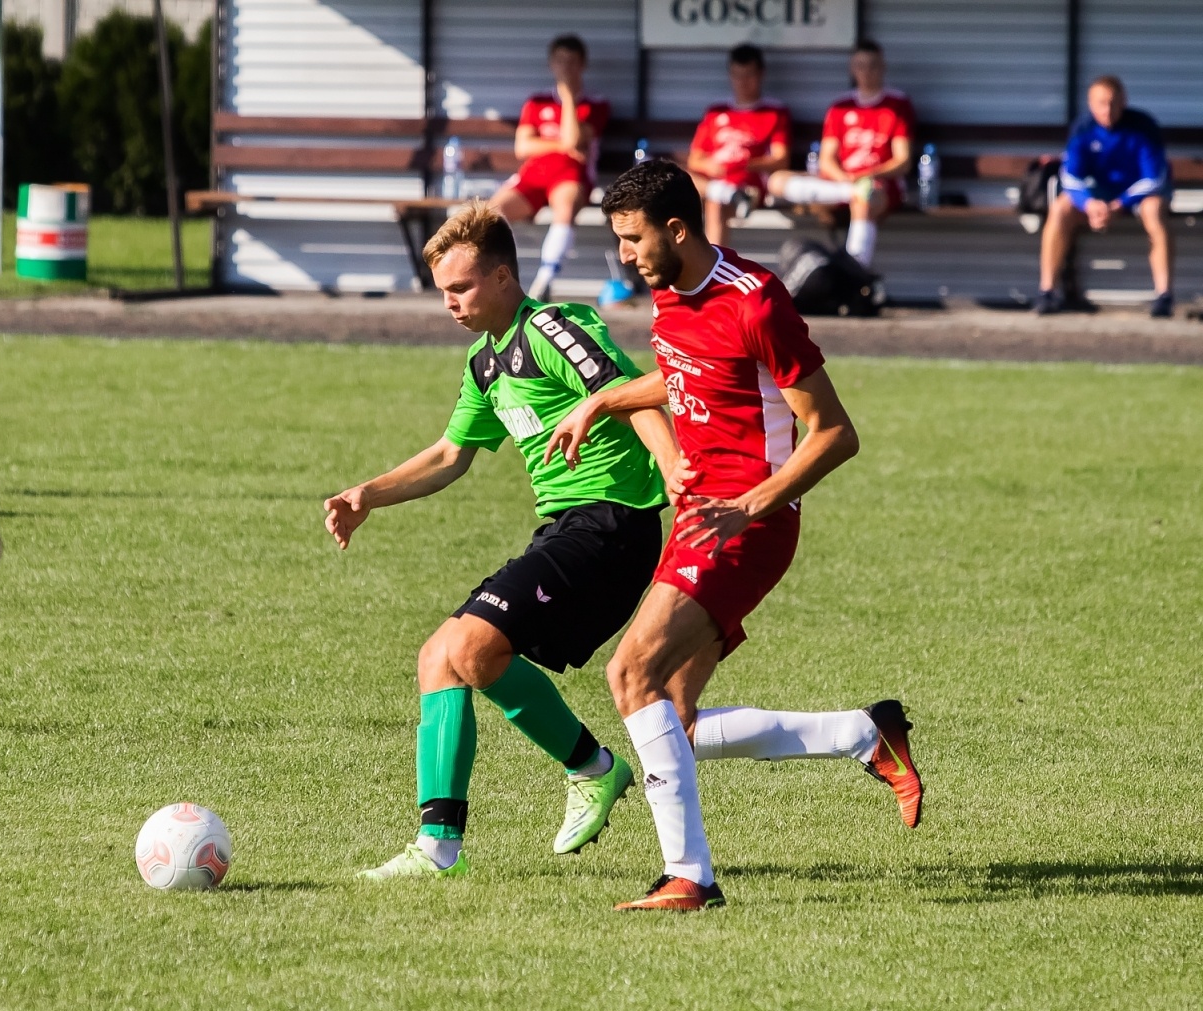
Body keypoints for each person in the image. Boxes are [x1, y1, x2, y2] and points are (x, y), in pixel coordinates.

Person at [545, 160, 923, 911]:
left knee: (630, 675)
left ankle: (689, 876)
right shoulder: (667, 292)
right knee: (671, 718)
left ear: (677, 230)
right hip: (704, 513)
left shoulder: (759, 302)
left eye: (632, 238)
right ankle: (863, 734)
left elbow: (835, 434)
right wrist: (608, 401)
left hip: (749, 520)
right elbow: (689, 371)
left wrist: (751, 505)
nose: (623, 253)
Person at [326, 201, 673, 879]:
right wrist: (368, 493)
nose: (450, 304)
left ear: (506, 276)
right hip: (568, 527)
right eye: (443, 292)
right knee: (443, 656)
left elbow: (633, 392)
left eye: (461, 287)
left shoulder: (551, 326)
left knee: (470, 645)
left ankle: (590, 767)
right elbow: (451, 454)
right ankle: (438, 845)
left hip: (614, 521)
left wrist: (680, 480)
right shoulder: (485, 361)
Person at [766, 39, 913, 268]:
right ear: (852, 69)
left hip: (880, 184)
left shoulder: (897, 104)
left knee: (864, 199)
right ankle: (851, 192)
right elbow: (826, 159)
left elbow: (903, 161)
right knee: (777, 181)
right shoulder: (840, 106)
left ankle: (855, 273)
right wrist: (847, 179)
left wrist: (870, 174)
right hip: (842, 182)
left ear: (883, 67)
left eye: (873, 65)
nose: (867, 72)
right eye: (860, 66)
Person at [1037, 76, 1173, 318]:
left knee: (1153, 211)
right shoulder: (1083, 129)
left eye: (1113, 103)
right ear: (1090, 104)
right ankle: (1047, 291)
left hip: (1138, 194)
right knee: (1060, 208)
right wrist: (1089, 204)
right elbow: (1070, 178)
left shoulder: (1143, 127)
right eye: (1101, 103)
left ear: (1124, 102)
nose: (1107, 110)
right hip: (1099, 195)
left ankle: (1164, 296)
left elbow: (1154, 179)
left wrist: (1119, 205)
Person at [490, 34, 610, 302]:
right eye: (560, 61)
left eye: (572, 62)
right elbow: (523, 147)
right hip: (534, 174)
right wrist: (562, 145)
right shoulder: (537, 102)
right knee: (490, 215)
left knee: (565, 208)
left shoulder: (596, 104)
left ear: (582, 66)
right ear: (551, 64)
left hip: (571, 175)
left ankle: (545, 279)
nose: (566, 68)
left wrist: (568, 99)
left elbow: (574, 140)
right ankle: (500, 283)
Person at [687, 44, 791, 247]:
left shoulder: (774, 112)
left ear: (761, 74)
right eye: (737, 75)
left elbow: (781, 159)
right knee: (677, 175)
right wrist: (710, 166)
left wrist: (744, 163)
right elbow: (695, 159)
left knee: (715, 203)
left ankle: (714, 273)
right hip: (713, 182)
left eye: (748, 75)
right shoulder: (716, 111)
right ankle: (723, 191)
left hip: (748, 187)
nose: (742, 82)